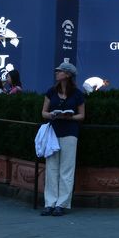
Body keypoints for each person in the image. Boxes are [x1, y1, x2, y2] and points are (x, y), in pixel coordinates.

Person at [40, 62, 86, 216]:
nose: (57, 73)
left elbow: (82, 115)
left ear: (67, 74)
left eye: (60, 71)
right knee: (51, 168)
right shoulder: (51, 91)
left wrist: (69, 116)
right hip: (53, 131)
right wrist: (53, 114)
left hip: (70, 132)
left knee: (66, 169)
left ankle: (62, 204)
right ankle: (50, 203)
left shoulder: (78, 94)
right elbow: (44, 113)